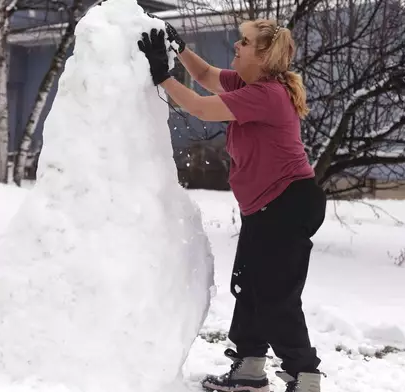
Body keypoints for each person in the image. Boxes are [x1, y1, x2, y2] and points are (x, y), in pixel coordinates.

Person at [137, 18, 327, 392]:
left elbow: (201, 107)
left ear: (263, 55)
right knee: (251, 287)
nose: (236, 46)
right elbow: (206, 75)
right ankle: (250, 368)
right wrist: (180, 49)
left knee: (275, 297)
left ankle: (305, 376)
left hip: (287, 204)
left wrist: (163, 74)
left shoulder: (268, 95)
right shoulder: (250, 84)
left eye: (245, 42)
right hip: (268, 206)